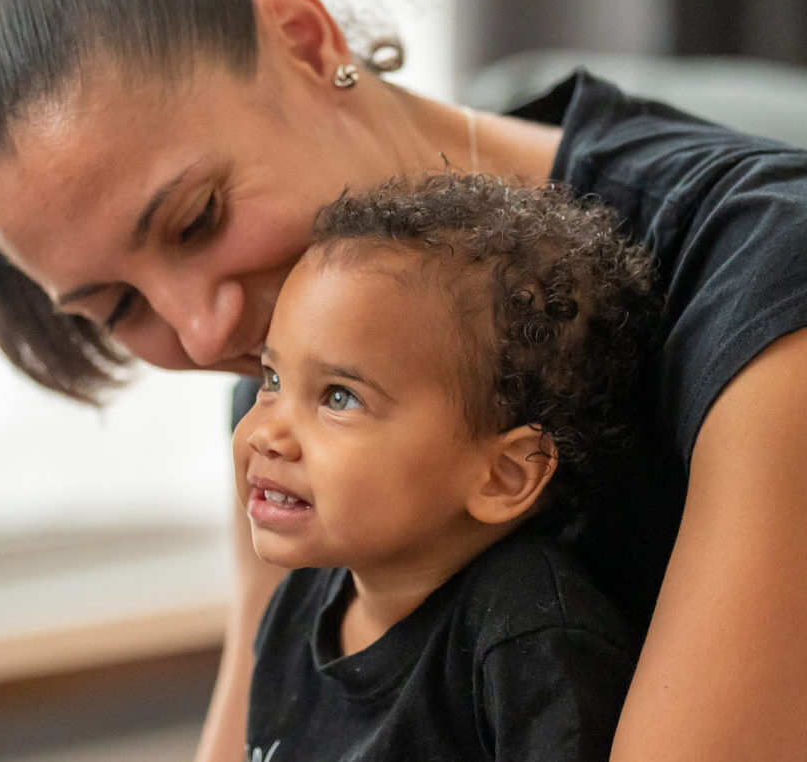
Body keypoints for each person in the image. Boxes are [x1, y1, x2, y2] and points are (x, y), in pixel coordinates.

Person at [0, 0, 807, 761]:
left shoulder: (782, 276)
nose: (206, 338)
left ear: (303, 36)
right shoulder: (283, 374)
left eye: (198, 217)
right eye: (117, 308)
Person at [237, 174, 653, 760]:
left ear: (503, 475)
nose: (267, 434)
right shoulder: (300, 601)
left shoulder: (526, 635)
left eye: (339, 397)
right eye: (272, 381)